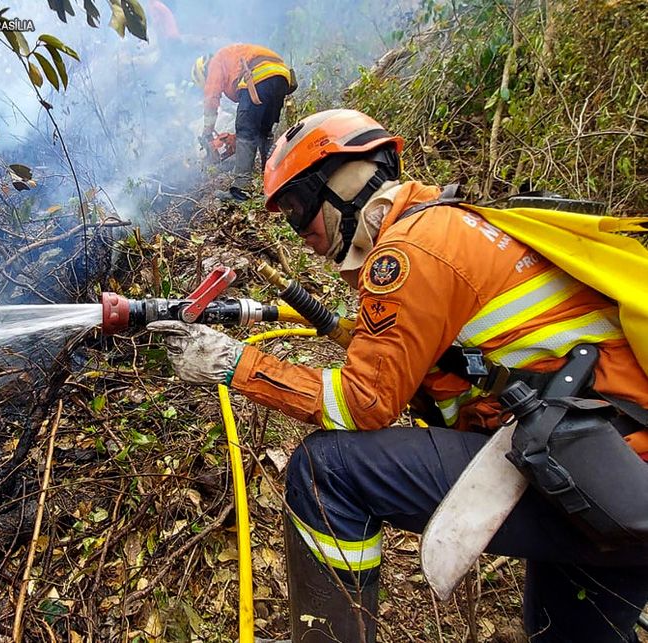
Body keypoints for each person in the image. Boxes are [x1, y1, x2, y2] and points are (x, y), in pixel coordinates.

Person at [149, 108, 648, 642]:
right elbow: (447, 367)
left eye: (298, 209)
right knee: (559, 630)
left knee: (327, 472)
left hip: (598, 468)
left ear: (347, 180)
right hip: (612, 479)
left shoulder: (410, 250)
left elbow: (363, 403)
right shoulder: (450, 225)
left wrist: (234, 365)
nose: (302, 235)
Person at [191, 44, 292, 202]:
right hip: (282, 76)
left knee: (244, 128)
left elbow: (211, 98)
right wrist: (234, 139)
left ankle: (241, 189)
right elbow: (254, 121)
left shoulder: (215, 62)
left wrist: (207, 132)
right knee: (263, 132)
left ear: (204, 72)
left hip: (258, 75)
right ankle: (273, 181)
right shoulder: (231, 57)